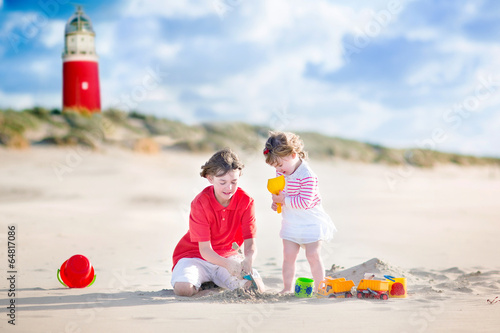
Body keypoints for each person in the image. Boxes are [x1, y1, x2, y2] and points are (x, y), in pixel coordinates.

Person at [171, 148, 264, 296]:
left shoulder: (246, 202)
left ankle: (213, 282)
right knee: (183, 289)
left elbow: (250, 243)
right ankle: (204, 285)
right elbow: (205, 250)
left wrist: (248, 259)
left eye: (234, 182)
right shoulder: (200, 203)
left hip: (228, 257)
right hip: (195, 257)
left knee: (255, 289)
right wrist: (228, 265)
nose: (229, 188)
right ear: (210, 178)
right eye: (222, 182)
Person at [263, 131, 336, 293]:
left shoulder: (307, 175)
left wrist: (283, 200)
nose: (279, 170)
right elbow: (281, 193)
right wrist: (276, 203)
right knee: (288, 256)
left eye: (280, 165)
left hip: (311, 221)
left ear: (293, 154)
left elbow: (305, 202)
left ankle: (320, 288)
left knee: (312, 255)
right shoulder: (281, 170)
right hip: (291, 221)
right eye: (275, 167)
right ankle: (287, 288)